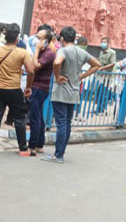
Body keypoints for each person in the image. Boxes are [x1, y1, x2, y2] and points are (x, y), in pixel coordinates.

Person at [42, 27, 100, 164]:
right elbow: (97, 64)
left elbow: (57, 62)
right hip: (74, 92)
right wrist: (81, 77)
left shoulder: (63, 50)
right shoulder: (81, 52)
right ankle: (60, 152)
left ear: (62, 38)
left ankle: (58, 155)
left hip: (61, 91)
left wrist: (57, 76)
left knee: (61, 123)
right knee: (67, 123)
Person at [0, 23, 34, 155]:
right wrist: (28, 87)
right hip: (14, 88)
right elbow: (30, 71)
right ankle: (23, 149)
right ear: (17, 39)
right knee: (19, 118)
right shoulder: (22, 53)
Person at [25, 28, 55, 156]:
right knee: (39, 117)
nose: (36, 39)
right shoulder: (42, 52)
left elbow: (35, 67)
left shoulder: (48, 53)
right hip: (38, 86)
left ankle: (32, 146)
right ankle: (39, 144)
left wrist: (36, 50)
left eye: (39, 37)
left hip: (39, 88)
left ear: (46, 41)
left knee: (34, 117)